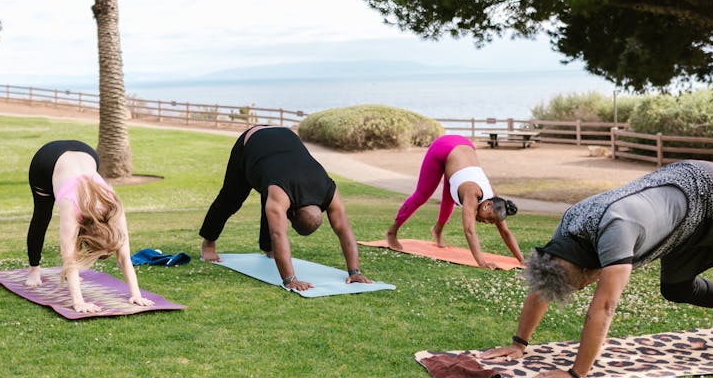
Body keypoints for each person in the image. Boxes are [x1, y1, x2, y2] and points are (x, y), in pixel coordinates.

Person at [479, 160, 713, 378]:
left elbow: (605, 307)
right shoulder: (569, 229)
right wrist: (519, 344)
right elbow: (545, 282)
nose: (585, 289)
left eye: (581, 284)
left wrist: (576, 374)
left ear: (588, 267)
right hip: (681, 218)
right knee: (677, 287)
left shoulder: (616, 232)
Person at [198, 125, 374, 291]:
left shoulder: (329, 191)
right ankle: (208, 244)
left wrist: (355, 272)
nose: (287, 220)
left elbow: (344, 229)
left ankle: (268, 249)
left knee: (273, 201)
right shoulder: (283, 193)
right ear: (295, 212)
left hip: (283, 138)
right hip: (251, 143)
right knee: (231, 199)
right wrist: (290, 280)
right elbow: (278, 233)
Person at [25, 140, 153, 313]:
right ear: (89, 240)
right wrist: (78, 301)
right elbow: (69, 257)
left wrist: (136, 294)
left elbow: (124, 257)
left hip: (87, 153)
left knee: (67, 230)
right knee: (42, 216)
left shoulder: (114, 208)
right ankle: (34, 270)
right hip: (46, 161)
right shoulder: (72, 208)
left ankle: (67, 276)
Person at [385, 134, 525, 267]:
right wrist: (482, 262)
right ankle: (392, 232)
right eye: (489, 219)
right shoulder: (472, 192)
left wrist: (522, 260)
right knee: (422, 195)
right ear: (488, 205)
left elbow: (505, 232)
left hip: (463, 150)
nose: (487, 222)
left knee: (449, 198)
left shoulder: (496, 202)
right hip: (443, 148)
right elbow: (470, 231)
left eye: (490, 222)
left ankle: (437, 230)